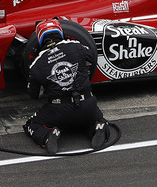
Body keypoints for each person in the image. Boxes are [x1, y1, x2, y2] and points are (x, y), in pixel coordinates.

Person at [23, 19, 109, 154]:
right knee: (97, 118)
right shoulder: (75, 45)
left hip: (58, 110)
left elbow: (33, 95)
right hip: (87, 105)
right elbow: (92, 57)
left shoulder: (36, 64)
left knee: (31, 124)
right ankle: (99, 127)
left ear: (40, 38)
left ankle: (47, 135)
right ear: (60, 33)